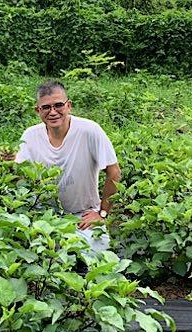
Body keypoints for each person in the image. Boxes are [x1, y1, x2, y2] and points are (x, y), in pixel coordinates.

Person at [15, 80, 121, 253]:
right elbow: (20, 177)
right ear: (37, 111)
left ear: (68, 105)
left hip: (83, 214)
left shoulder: (89, 130)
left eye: (58, 105)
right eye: (46, 107)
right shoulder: (30, 135)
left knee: (97, 255)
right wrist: (8, 164)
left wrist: (102, 213)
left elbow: (114, 172)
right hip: (43, 215)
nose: (53, 112)